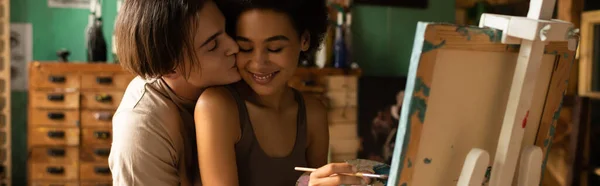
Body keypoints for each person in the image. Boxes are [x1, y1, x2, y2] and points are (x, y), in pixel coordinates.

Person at [194, 0, 370, 185]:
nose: (258, 63)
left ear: (304, 40)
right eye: (246, 48)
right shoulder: (217, 107)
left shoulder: (313, 114)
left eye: (274, 48)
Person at [108, 0, 240, 185]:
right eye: (212, 46)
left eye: (227, 30)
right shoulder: (142, 128)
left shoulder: (228, 80)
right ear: (170, 68)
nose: (234, 47)